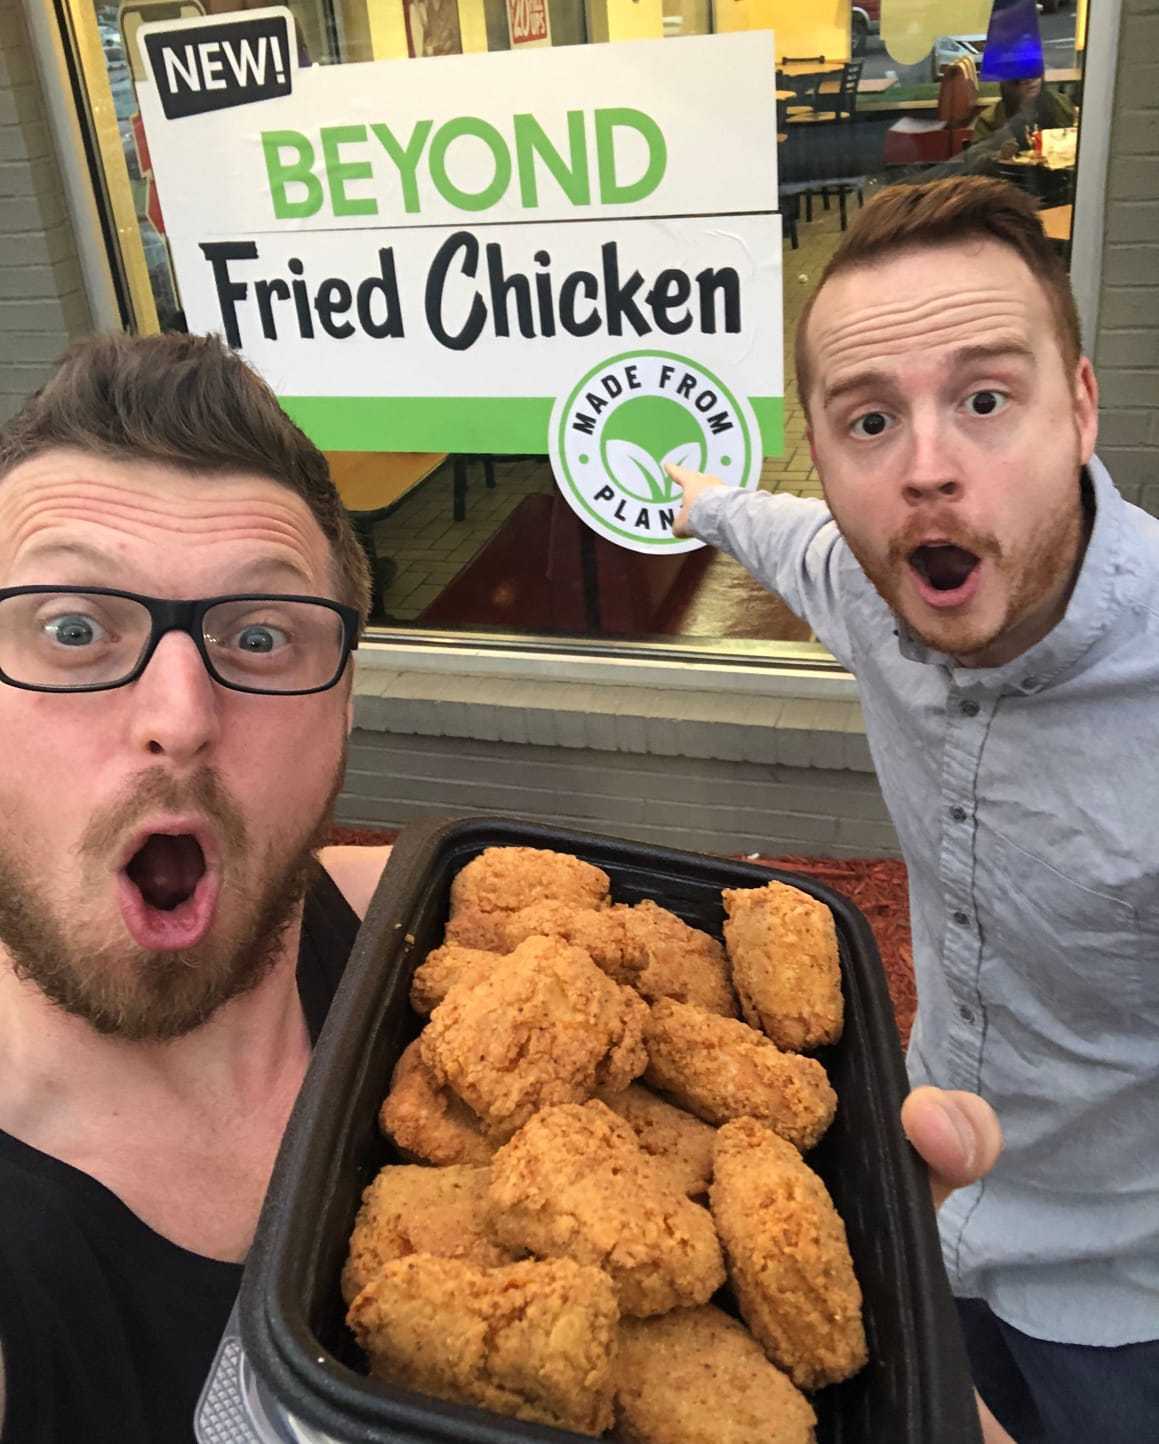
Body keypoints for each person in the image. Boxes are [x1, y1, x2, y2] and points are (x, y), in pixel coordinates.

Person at [0, 332, 999, 1443]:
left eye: (262, 633)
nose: (178, 715)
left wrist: (912, 1325)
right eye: (74, 628)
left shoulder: (415, 912)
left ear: (344, 707)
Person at [669, 174, 1159, 1444]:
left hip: (1124, 1295)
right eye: (868, 422)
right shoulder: (859, 575)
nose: (927, 471)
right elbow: (776, 532)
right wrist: (694, 497)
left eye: (985, 399)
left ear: (1081, 408)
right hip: (915, 1191)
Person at [970, 74, 1076, 149]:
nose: (1030, 79)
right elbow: (974, 158)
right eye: (1021, 74)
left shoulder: (1062, 104)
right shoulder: (990, 119)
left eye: (1034, 71)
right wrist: (998, 154)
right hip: (1011, 177)